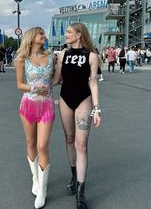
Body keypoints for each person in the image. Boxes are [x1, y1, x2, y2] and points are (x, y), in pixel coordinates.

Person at [53, 23, 101, 209]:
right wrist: (36, 82)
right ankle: (74, 175)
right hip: (65, 99)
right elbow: (57, 79)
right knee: (69, 138)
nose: (66, 35)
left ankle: (81, 192)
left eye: (69, 32)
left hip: (84, 100)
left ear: (79, 34)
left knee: (81, 144)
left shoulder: (92, 56)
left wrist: (97, 109)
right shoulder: (62, 54)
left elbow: (93, 82)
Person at [15, 27, 56, 209]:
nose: (44, 36)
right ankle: (35, 178)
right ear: (32, 38)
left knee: (42, 145)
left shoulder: (51, 57)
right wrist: (34, 89)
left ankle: (42, 191)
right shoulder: (22, 60)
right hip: (28, 105)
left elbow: (55, 80)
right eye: (41, 34)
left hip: (47, 105)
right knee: (31, 143)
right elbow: (19, 84)